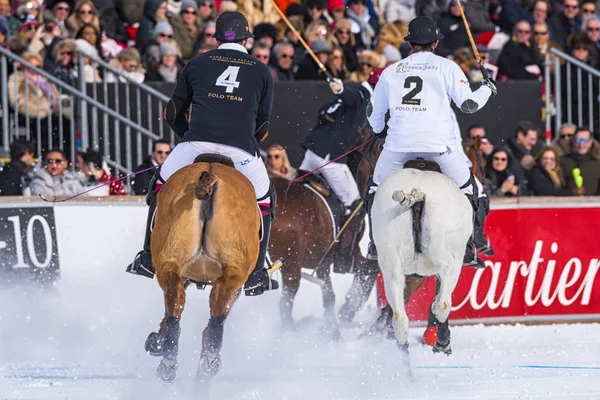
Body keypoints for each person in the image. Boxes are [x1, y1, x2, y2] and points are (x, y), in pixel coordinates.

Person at [126, 12, 278, 297]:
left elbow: (172, 113)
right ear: (246, 38)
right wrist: (247, 139)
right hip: (240, 149)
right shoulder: (261, 70)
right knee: (265, 198)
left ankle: (147, 256)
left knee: (159, 185)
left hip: (194, 144)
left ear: (216, 37)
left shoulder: (196, 62)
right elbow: (264, 127)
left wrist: (188, 135)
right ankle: (258, 271)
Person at [365, 16, 497, 268]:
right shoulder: (447, 67)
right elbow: (468, 105)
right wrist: (487, 88)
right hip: (439, 148)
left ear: (409, 44)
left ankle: (374, 243)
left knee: (374, 188)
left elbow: (373, 112)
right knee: (472, 189)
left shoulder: (391, 71)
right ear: (436, 43)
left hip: (398, 147)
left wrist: (379, 130)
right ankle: (470, 245)